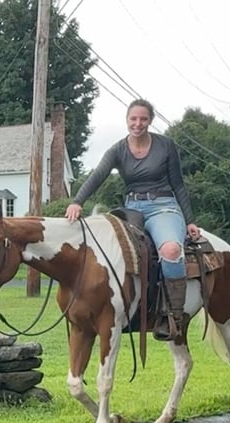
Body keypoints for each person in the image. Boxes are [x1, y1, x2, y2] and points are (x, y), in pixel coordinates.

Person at [64, 98, 200, 341]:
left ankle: (172, 317)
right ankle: (124, 310)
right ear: (127, 120)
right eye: (133, 119)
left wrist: (189, 220)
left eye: (143, 119)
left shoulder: (166, 146)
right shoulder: (117, 150)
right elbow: (97, 176)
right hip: (131, 210)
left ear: (150, 121)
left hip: (163, 207)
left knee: (169, 250)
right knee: (111, 252)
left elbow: (179, 184)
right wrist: (77, 201)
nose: (138, 124)